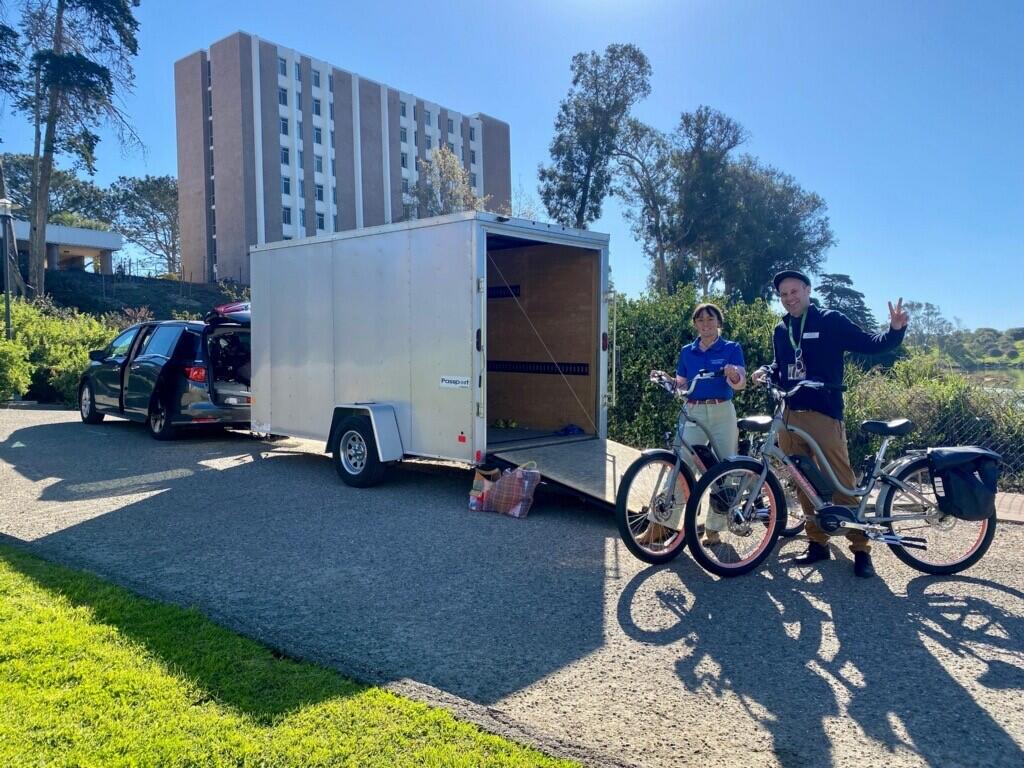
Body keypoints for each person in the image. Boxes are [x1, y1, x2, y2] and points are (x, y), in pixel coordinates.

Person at [753, 270, 909, 578]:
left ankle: (861, 548)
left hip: (824, 414)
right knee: (802, 481)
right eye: (783, 295)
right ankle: (817, 543)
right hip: (788, 415)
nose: (789, 298)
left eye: (794, 291)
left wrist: (894, 330)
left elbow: (870, 343)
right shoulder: (781, 329)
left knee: (841, 480)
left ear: (808, 290)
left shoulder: (830, 320)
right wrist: (765, 371)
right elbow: (780, 365)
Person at [639, 302, 746, 546]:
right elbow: (682, 385)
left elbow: (741, 382)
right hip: (693, 410)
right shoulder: (688, 351)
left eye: (710, 320)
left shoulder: (731, 348)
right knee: (680, 466)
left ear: (718, 322)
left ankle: (714, 529)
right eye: (700, 320)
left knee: (724, 467)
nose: (705, 325)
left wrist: (733, 375)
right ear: (695, 324)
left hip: (722, 410)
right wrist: (668, 380)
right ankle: (661, 525)